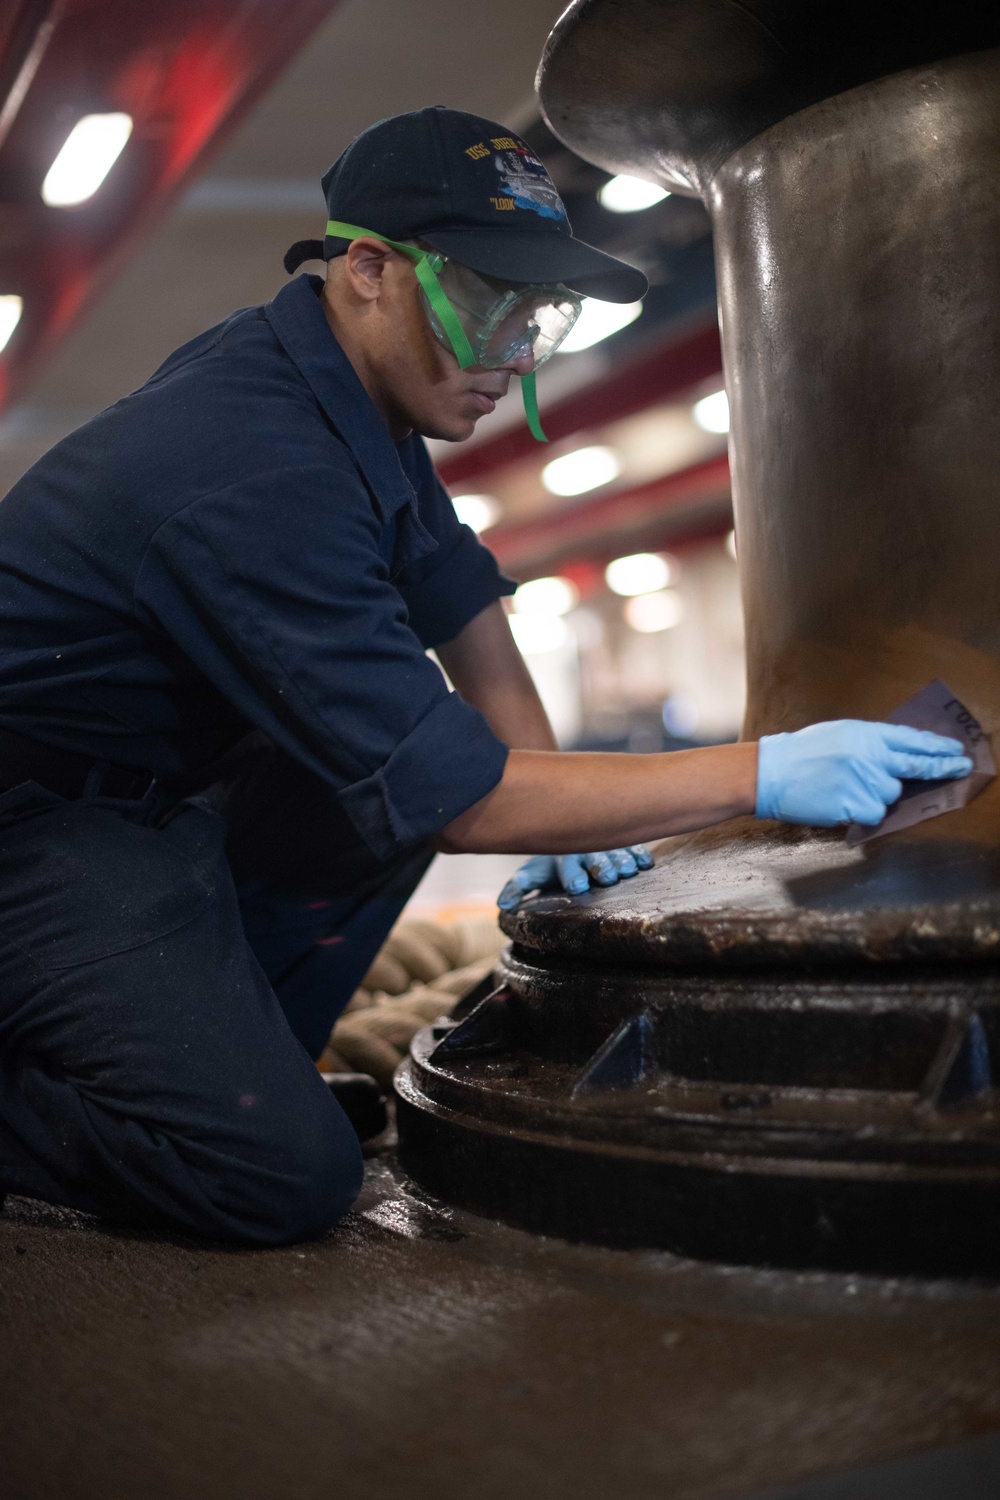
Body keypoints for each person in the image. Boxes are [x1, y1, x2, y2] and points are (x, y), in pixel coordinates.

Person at [0, 107, 970, 1245]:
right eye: (487, 297)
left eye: (540, 313)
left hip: (144, 800)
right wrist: (763, 770)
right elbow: (462, 800)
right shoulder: (248, 464)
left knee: (374, 790)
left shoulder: (338, 392)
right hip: (43, 834)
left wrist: (557, 800)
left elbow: (461, 606)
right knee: (276, 1181)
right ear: (367, 269)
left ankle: (217, 1062)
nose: (514, 347)